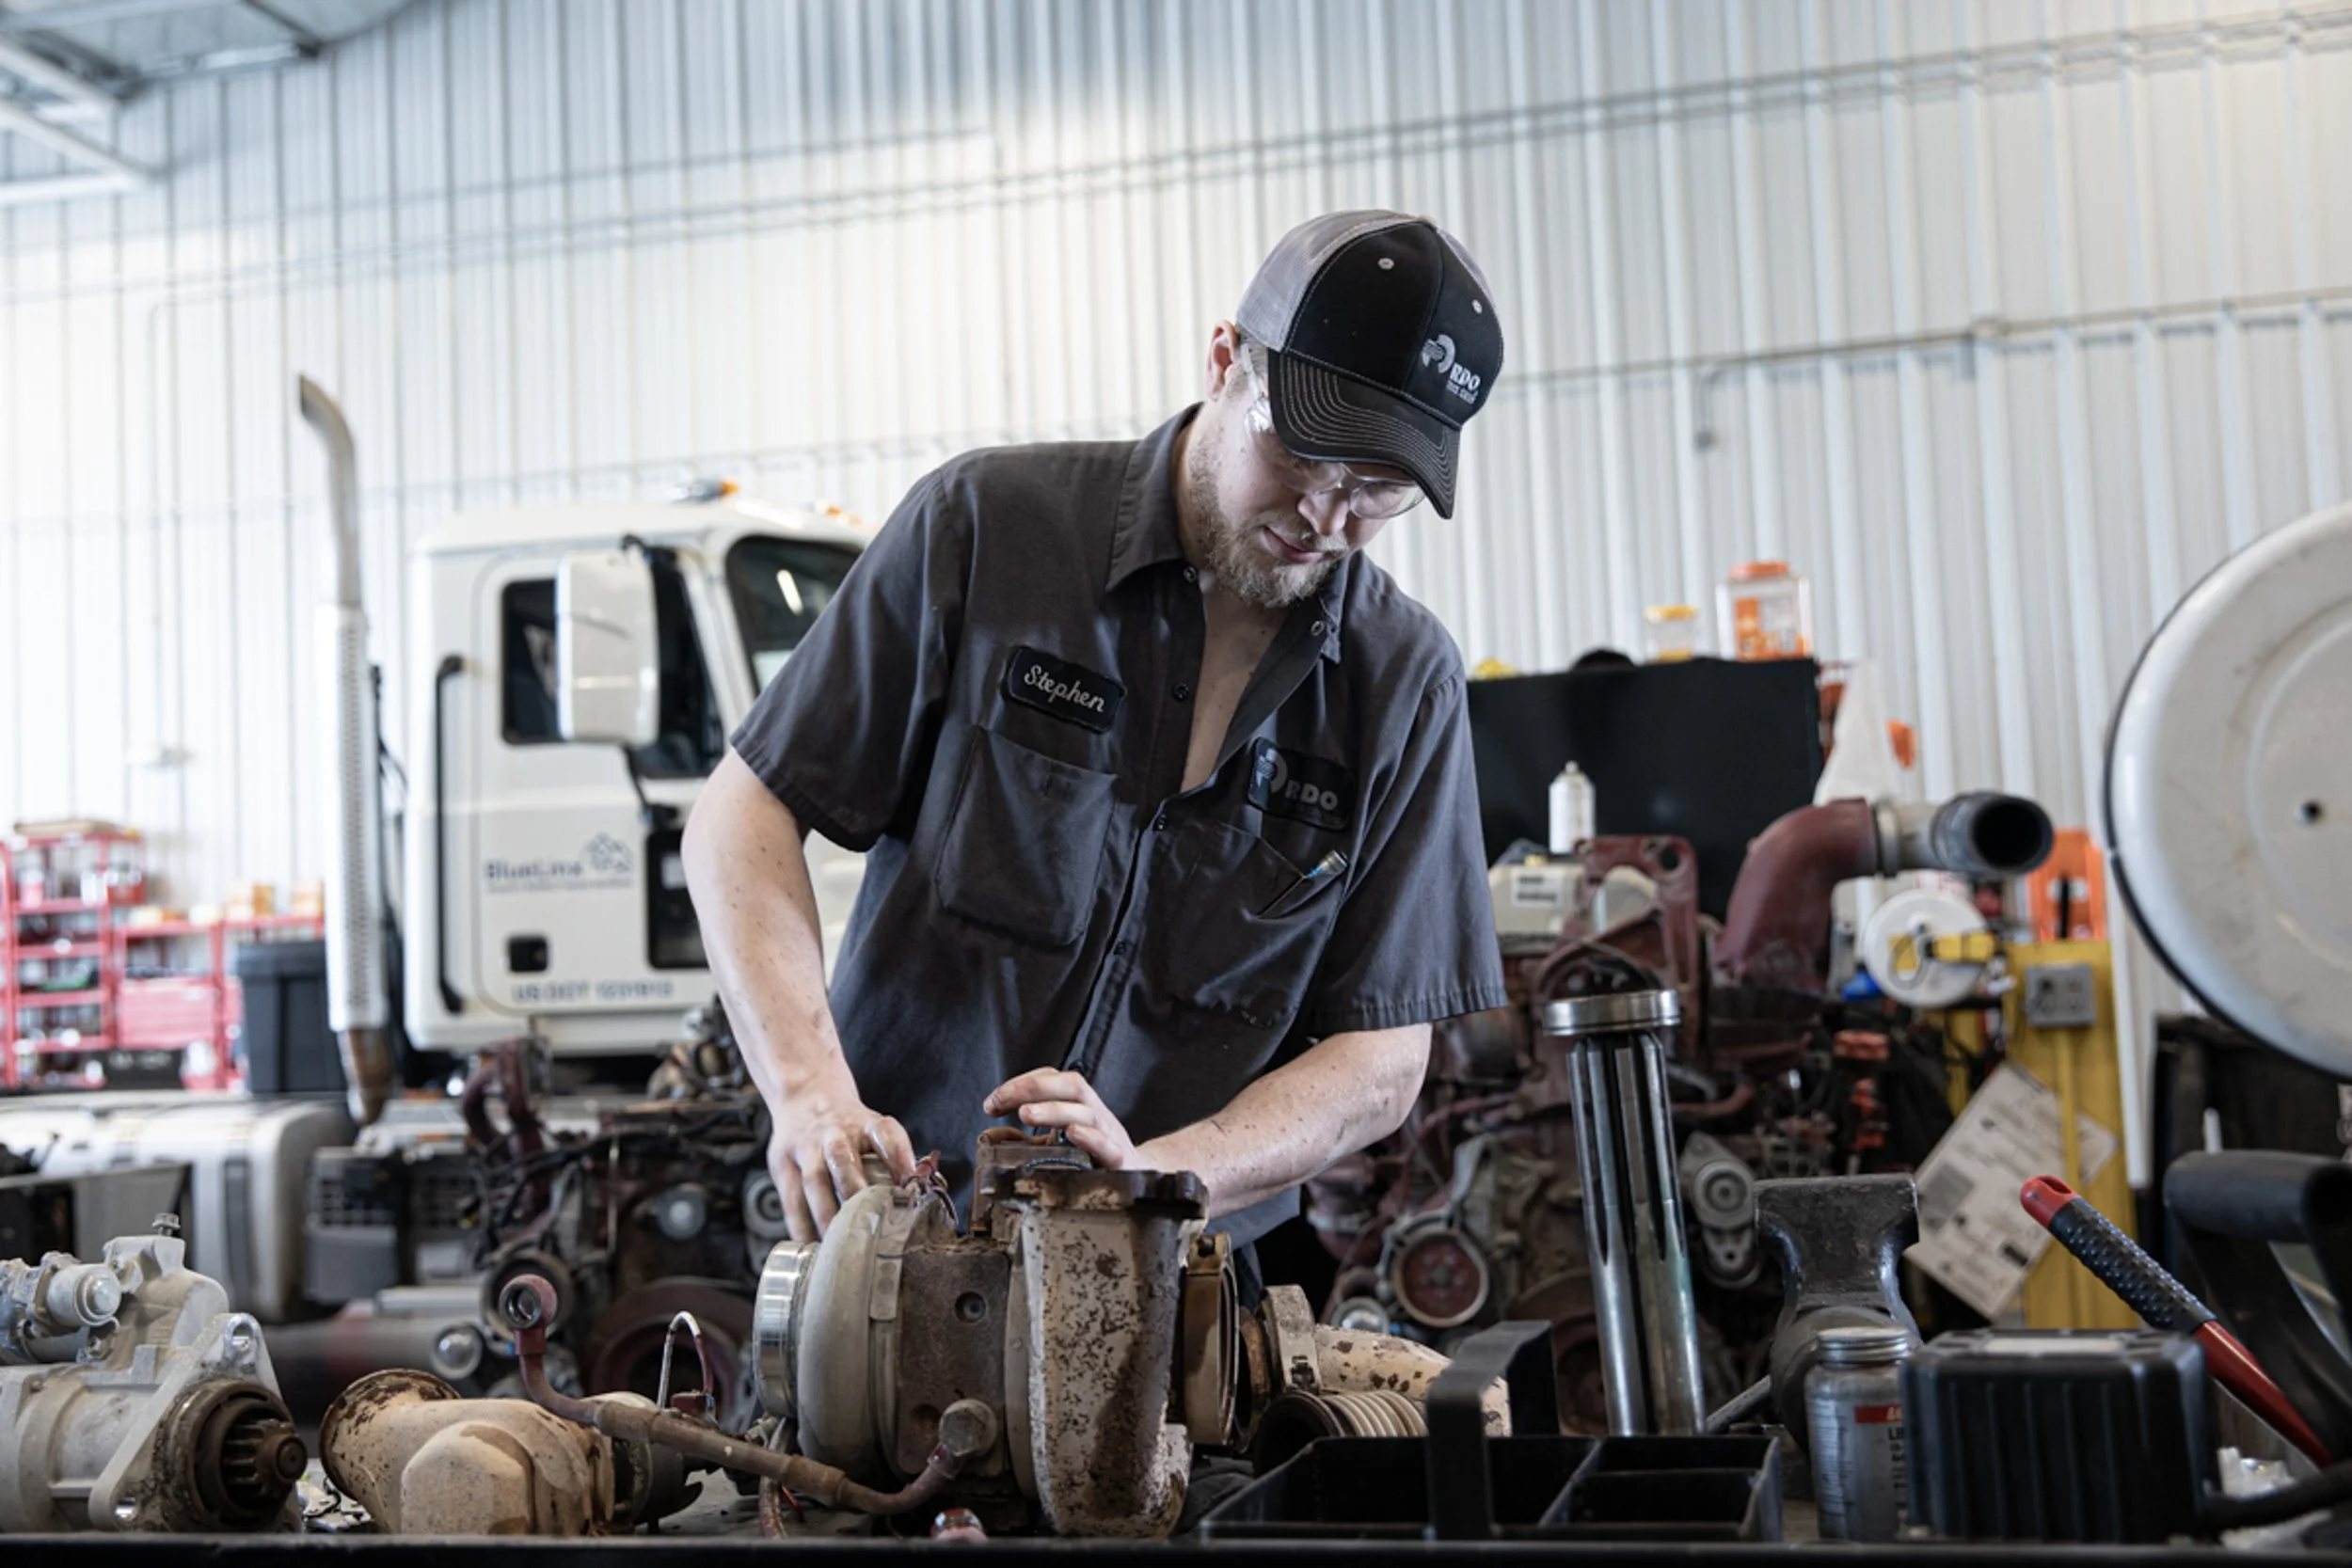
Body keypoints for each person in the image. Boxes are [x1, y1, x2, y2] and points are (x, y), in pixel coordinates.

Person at [682, 211, 1511, 1261]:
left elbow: (1385, 1054)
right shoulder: (985, 531)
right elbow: (741, 811)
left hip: (1173, 1277)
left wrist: (1165, 1175)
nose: (1323, 511)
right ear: (1224, 360)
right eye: (1301, 447)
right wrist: (807, 1096)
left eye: (1376, 487)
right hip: (887, 1238)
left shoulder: (1404, 685)